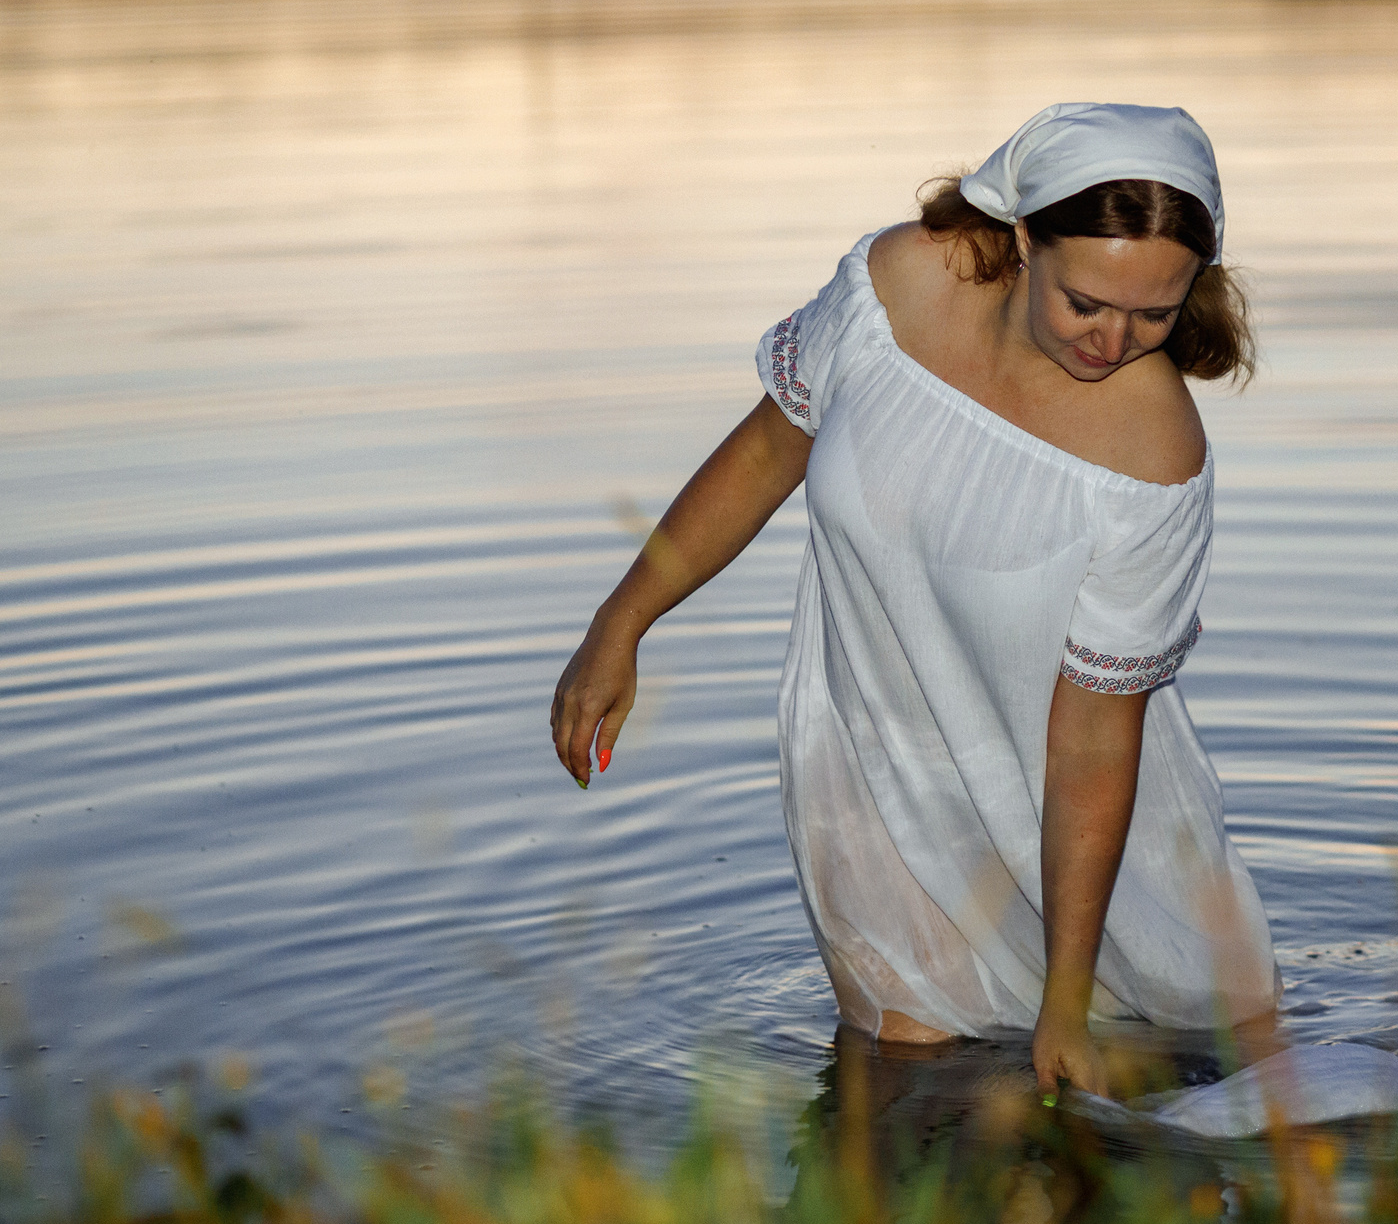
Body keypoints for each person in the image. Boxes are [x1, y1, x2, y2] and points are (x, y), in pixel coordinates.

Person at [549, 102, 1280, 1099]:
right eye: (1086, 302)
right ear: (1022, 238)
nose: (1114, 340)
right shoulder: (891, 288)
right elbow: (766, 452)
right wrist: (621, 622)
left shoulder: (1152, 452)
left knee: (1149, 1109)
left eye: (1154, 314)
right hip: (872, 779)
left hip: (1079, 837)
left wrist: (1066, 997)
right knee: (899, 1077)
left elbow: (1092, 739)